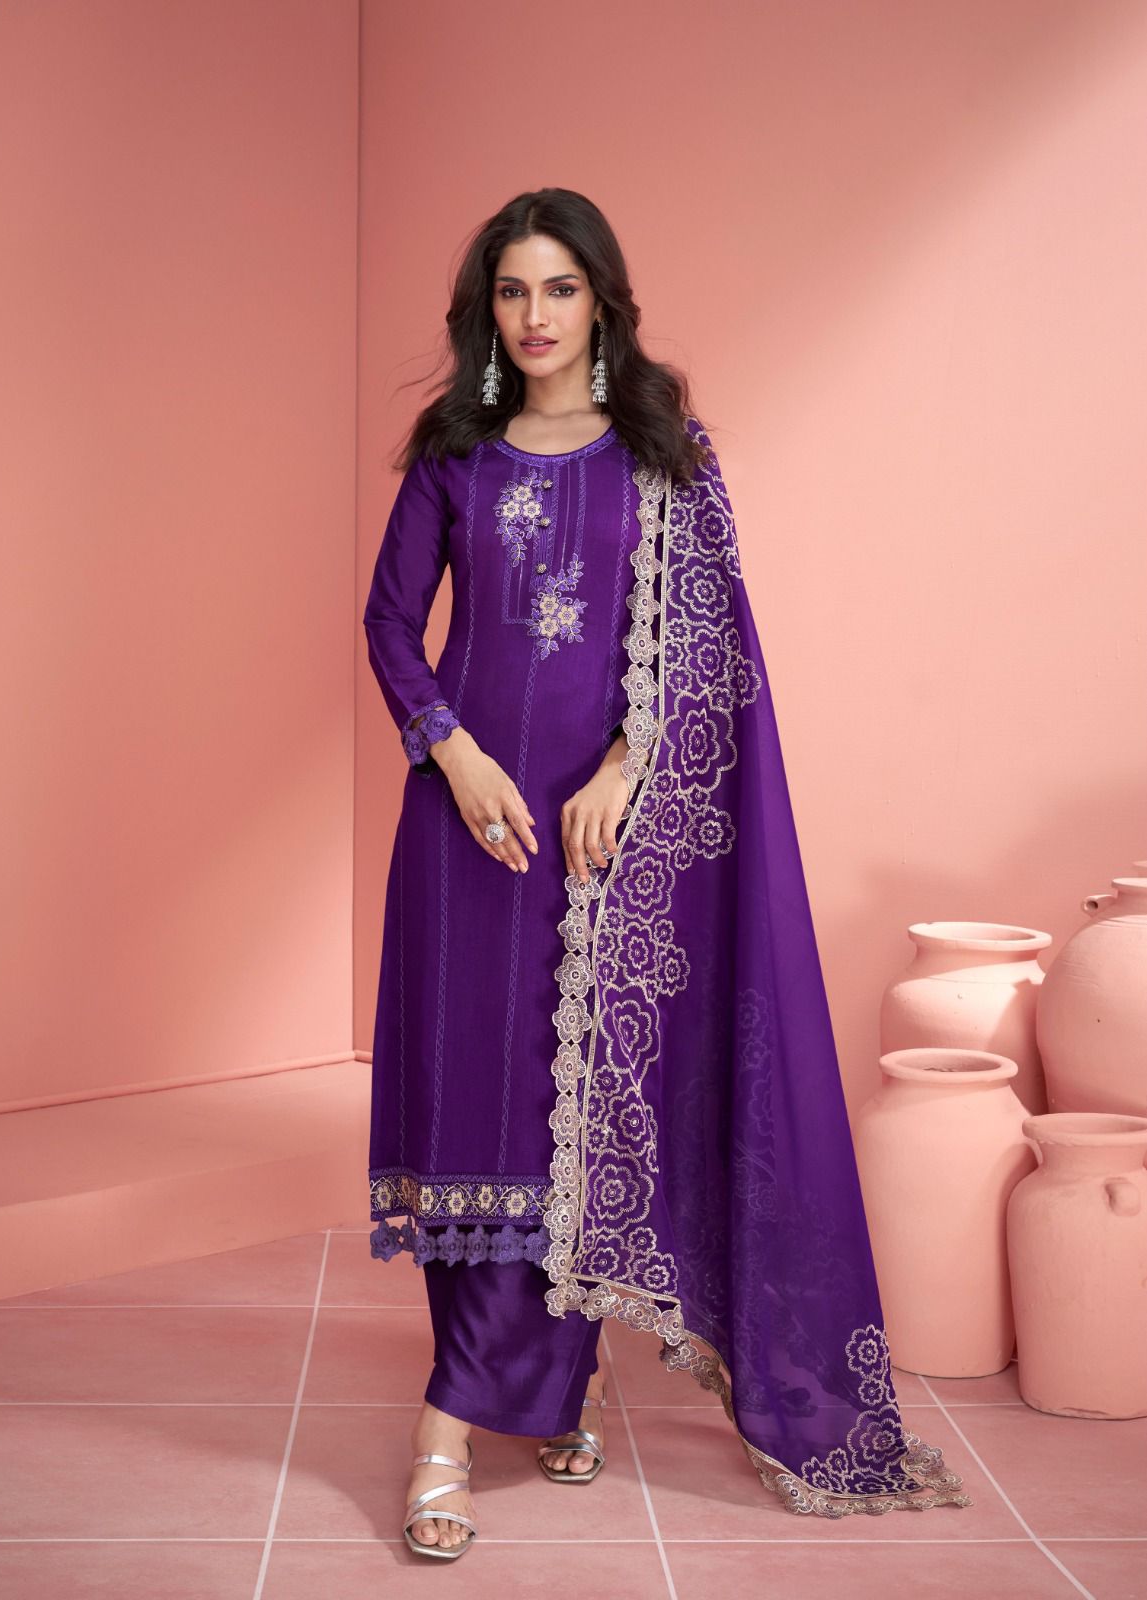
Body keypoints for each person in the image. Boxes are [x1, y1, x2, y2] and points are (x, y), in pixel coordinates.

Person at [363, 188, 972, 1562]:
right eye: (511, 290)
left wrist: (628, 768)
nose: (533, 316)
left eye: (558, 289)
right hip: (465, 833)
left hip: (604, 843)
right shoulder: (455, 454)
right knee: (473, 1115)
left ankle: (499, 1406)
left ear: (602, 301)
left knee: (572, 1104)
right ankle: (496, 1407)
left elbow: (711, 650)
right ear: (484, 309)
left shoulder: (661, 455)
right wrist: (452, 754)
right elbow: (391, 622)